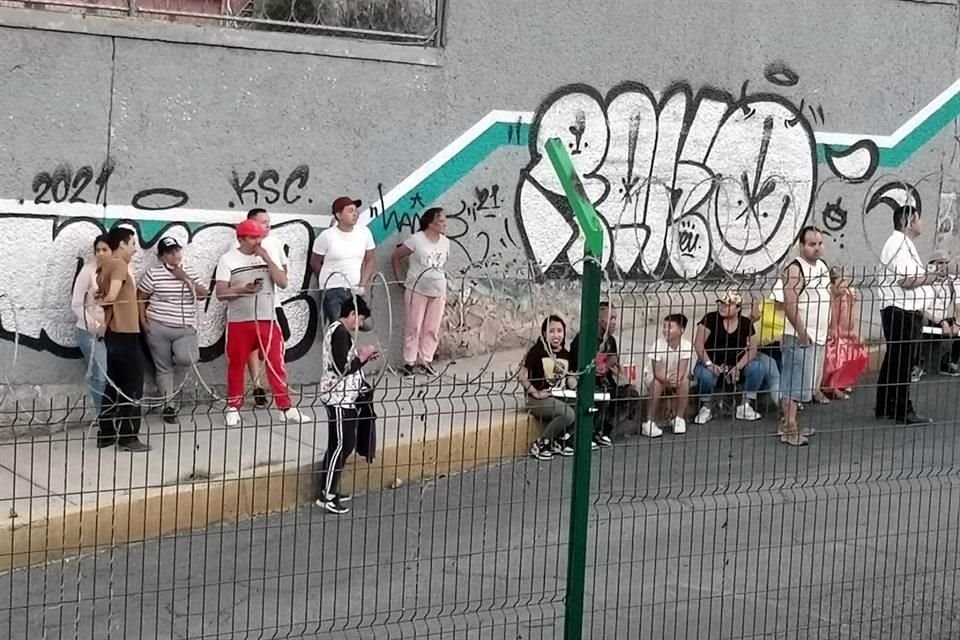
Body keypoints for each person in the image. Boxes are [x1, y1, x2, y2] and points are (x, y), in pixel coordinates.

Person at [215, 219, 308, 426]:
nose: (258, 241)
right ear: (241, 238)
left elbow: (283, 282)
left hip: (268, 318)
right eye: (253, 237)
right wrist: (242, 290)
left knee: (276, 362)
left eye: (260, 236)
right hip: (239, 321)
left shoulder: (267, 255)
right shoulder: (228, 259)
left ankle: (285, 407)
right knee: (237, 364)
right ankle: (233, 406)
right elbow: (220, 293)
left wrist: (267, 258)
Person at [876, 205, 940, 425]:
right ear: (909, 221)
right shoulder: (899, 244)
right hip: (900, 309)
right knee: (903, 360)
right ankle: (902, 407)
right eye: (918, 219)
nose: (920, 223)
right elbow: (906, 280)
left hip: (899, 308)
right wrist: (933, 277)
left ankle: (885, 403)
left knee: (895, 357)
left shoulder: (900, 244)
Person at [315, 298, 379, 515]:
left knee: (338, 443)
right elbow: (342, 367)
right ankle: (327, 495)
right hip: (338, 398)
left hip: (343, 396)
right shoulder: (340, 333)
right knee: (343, 444)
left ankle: (328, 489)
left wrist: (363, 359)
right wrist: (362, 357)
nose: (359, 324)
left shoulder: (339, 332)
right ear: (352, 314)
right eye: (359, 319)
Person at [138, 237, 209, 424]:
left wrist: (185, 279)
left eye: (177, 250)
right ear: (162, 256)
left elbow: (203, 294)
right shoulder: (154, 273)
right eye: (170, 252)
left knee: (187, 358)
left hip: (184, 327)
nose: (175, 255)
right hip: (158, 325)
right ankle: (168, 406)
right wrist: (143, 321)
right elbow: (141, 297)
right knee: (163, 368)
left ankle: (171, 395)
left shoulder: (189, 271)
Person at [95, 226, 151, 452]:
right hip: (125, 333)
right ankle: (128, 437)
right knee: (133, 385)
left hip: (112, 333)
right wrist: (104, 301)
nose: (135, 249)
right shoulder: (119, 264)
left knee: (113, 384)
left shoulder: (104, 266)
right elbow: (111, 295)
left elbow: (103, 292)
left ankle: (106, 433)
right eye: (132, 244)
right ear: (122, 244)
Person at [779, 226, 831, 446]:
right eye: (812, 244)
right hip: (800, 335)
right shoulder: (795, 269)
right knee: (794, 382)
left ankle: (791, 422)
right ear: (801, 246)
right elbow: (790, 303)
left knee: (808, 385)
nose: (817, 248)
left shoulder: (822, 267)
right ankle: (789, 428)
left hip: (818, 335)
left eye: (819, 243)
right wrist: (800, 331)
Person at [569, 302, 641, 446]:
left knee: (631, 394)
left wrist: (618, 372)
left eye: (615, 318)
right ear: (599, 318)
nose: (614, 322)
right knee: (601, 397)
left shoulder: (610, 340)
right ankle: (591, 432)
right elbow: (583, 367)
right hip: (587, 385)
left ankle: (605, 431)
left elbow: (613, 365)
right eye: (610, 318)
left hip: (606, 384)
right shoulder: (584, 339)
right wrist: (602, 365)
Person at [391, 207, 450, 377]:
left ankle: (426, 360)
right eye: (441, 221)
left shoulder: (446, 242)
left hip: (438, 289)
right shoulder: (416, 240)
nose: (444, 224)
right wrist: (399, 278)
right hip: (417, 288)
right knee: (414, 325)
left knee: (432, 327)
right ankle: (409, 362)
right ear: (430, 223)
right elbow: (396, 256)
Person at [242, 209, 291, 407]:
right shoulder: (241, 246)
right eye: (263, 222)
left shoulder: (274, 242)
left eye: (269, 222)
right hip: (251, 304)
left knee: (280, 338)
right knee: (251, 345)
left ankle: (276, 382)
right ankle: (257, 385)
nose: (267, 226)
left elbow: (284, 269)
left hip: (273, 302)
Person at [692, 290, 765, 425]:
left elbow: (753, 349)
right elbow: (698, 343)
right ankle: (706, 407)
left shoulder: (745, 323)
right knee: (703, 374)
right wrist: (709, 364)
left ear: (738, 308)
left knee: (758, 368)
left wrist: (738, 367)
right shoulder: (710, 319)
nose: (723, 307)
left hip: (736, 365)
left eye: (728, 305)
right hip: (712, 363)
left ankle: (745, 405)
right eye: (722, 304)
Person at [519, 315, 578, 460]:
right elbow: (522, 376)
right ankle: (541, 444)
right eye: (551, 331)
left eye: (559, 331)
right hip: (537, 399)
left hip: (557, 395)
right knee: (567, 414)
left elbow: (570, 379)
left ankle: (562, 440)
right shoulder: (537, 351)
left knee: (583, 407)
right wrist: (536, 393)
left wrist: (575, 380)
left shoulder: (566, 354)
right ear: (545, 334)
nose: (556, 335)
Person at [311, 196, 376, 327]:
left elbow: (370, 259)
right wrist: (327, 279)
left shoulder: (364, 232)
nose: (355, 213)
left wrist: (362, 285)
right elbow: (315, 262)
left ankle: (348, 346)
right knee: (337, 326)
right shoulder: (327, 236)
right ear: (339, 215)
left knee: (356, 325)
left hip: (354, 288)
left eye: (356, 210)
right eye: (350, 211)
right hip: (332, 289)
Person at [71, 234, 111, 416]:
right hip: (90, 333)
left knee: (114, 375)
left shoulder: (118, 271)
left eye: (105, 249)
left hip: (113, 332)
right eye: (98, 250)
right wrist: (94, 325)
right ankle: (102, 418)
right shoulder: (88, 271)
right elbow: (76, 304)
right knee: (100, 375)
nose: (101, 253)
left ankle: (113, 414)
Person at [641, 313, 692, 438]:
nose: (665, 330)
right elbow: (657, 371)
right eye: (664, 326)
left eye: (670, 327)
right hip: (655, 376)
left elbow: (682, 369)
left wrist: (677, 378)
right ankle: (649, 421)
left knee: (685, 381)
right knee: (657, 383)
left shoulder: (686, 345)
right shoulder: (658, 345)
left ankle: (679, 419)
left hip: (674, 377)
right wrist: (668, 380)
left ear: (681, 330)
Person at [822, 267, 869, 398]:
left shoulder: (843, 298)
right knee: (841, 346)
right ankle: (831, 386)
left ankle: (841, 381)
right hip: (825, 336)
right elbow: (832, 331)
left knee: (856, 346)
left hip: (837, 334)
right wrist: (850, 334)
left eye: (846, 281)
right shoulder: (826, 299)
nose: (845, 285)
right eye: (842, 281)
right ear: (831, 284)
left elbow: (847, 326)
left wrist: (851, 305)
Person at [916, 250, 960, 378]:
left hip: (943, 319)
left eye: (946, 263)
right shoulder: (924, 279)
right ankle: (917, 365)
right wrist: (941, 322)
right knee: (917, 320)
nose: (943, 266)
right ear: (931, 264)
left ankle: (948, 362)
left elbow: (958, 306)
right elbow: (920, 307)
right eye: (939, 263)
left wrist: (957, 323)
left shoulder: (953, 281)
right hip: (928, 317)